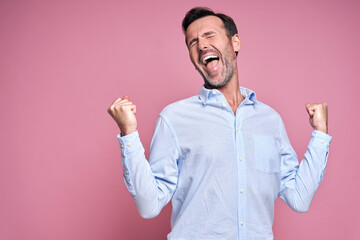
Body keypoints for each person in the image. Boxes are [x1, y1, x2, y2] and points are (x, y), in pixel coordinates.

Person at [107, 7, 332, 240]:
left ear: (235, 43)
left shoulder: (270, 120)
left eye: (209, 35)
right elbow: (149, 205)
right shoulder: (174, 118)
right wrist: (129, 134)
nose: (201, 45)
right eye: (192, 42)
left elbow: (299, 197)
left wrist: (320, 135)